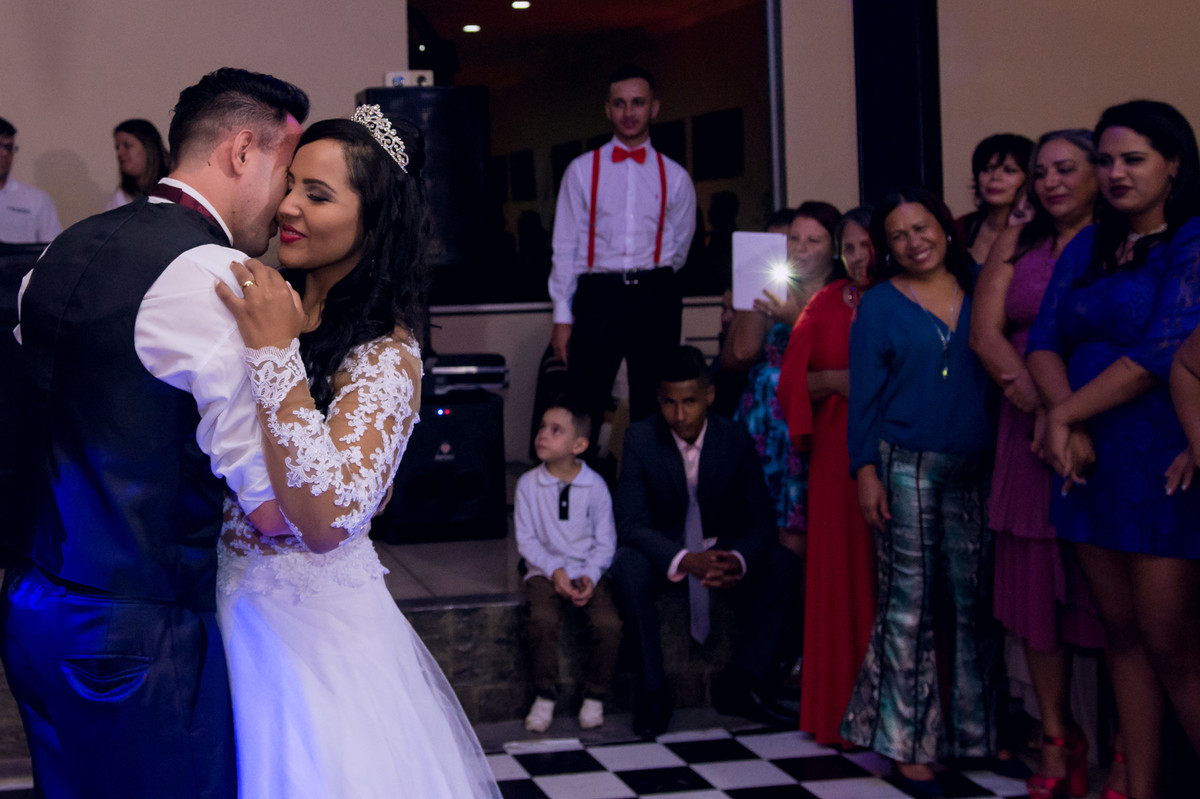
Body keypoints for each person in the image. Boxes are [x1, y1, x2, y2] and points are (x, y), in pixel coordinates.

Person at [1, 67, 307, 799]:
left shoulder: (64, 247)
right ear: (242, 152)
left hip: (31, 609)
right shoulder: (221, 276)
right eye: (287, 172)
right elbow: (272, 507)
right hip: (139, 639)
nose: (289, 199)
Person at [213, 107, 501, 798]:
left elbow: (325, 517)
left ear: (373, 222)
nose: (288, 208)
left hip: (310, 641)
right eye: (290, 185)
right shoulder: (268, 302)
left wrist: (275, 354)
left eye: (318, 195)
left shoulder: (386, 355)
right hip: (224, 614)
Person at [1028, 100, 1200, 799]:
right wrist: (1067, 422)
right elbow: (1042, 340)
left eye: (1134, 159)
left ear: (1174, 164)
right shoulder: (1089, 244)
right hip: (1088, 462)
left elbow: (1162, 350)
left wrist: (1062, 414)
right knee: (1121, 635)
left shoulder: (1191, 239)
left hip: (1161, 451)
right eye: (1107, 160)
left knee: (1171, 642)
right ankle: (1143, 788)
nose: (1116, 172)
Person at [969, 129, 1111, 799]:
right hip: (1022, 426)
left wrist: (1068, 414)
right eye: (1042, 171)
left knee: (1104, 590)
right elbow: (984, 328)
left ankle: (1123, 743)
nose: (1052, 182)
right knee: (1035, 594)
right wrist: (1033, 404)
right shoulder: (1019, 239)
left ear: (1099, 173)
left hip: (1102, 421)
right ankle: (1058, 736)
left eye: (1067, 169)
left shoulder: (1119, 240)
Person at [843, 187, 997, 793]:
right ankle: (904, 742)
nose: (914, 241)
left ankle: (973, 735)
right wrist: (865, 471)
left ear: (946, 226)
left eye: (923, 226)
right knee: (909, 607)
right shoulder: (879, 304)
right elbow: (865, 397)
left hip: (976, 466)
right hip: (904, 465)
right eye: (899, 235)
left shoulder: (983, 283)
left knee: (974, 604)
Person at [608, 345, 797, 737]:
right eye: (670, 403)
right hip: (668, 548)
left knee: (782, 563)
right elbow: (631, 524)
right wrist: (682, 558)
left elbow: (761, 520)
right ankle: (653, 691)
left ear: (708, 396)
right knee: (627, 566)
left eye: (690, 402)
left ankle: (746, 681)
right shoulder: (641, 439)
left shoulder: (734, 437)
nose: (680, 415)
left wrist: (737, 559)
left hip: (717, 546)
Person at [548, 65, 697, 433]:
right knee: (585, 399)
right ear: (607, 109)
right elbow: (564, 247)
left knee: (655, 403)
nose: (629, 113)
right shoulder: (581, 171)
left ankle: (646, 489)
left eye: (638, 103)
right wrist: (562, 316)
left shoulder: (675, 176)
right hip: (599, 295)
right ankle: (585, 489)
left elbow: (679, 248)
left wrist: (653, 281)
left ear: (654, 108)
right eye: (620, 104)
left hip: (655, 294)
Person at [778, 205, 877, 747]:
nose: (860, 258)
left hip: (908, 450)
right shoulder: (824, 303)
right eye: (851, 247)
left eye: (869, 246)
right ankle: (843, 710)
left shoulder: (913, 297)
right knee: (843, 576)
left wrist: (843, 379)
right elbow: (792, 386)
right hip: (838, 456)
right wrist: (839, 380)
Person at [516, 402, 621, 733]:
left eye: (556, 430)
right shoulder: (528, 485)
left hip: (587, 569)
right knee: (541, 620)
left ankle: (596, 694)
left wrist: (590, 574)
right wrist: (554, 571)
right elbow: (527, 542)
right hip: (543, 570)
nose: (543, 435)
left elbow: (605, 542)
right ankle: (545, 694)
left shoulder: (596, 487)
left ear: (579, 446)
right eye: (542, 427)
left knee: (608, 625)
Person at [957, 133, 1034, 264]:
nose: (995, 177)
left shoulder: (1041, 234)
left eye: (1009, 170)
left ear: (1030, 177)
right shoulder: (961, 228)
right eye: (987, 169)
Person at [0, 117, 61, 243]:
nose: (4, 154)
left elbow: (52, 251)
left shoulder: (36, 199)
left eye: (9, 147)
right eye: (0, 146)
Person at [106, 118, 171, 210]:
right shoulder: (121, 196)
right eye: (117, 147)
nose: (119, 153)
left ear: (148, 147)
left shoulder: (174, 187)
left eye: (127, 145)